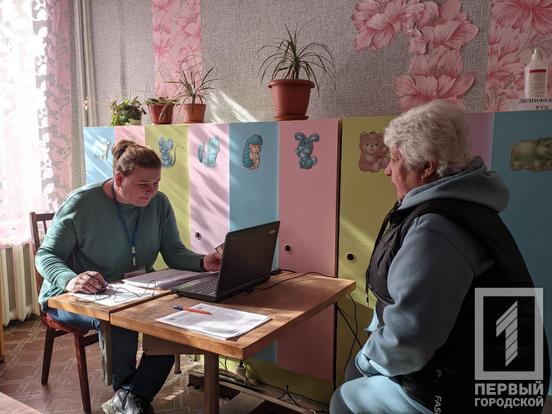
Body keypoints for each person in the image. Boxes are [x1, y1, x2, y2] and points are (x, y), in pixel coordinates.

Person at [330, 100, 550, 413]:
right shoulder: (466, 206)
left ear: (427, 168)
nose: (388, 170)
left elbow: (409, 342)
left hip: (474, 393)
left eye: (395, 159)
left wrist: (365, 360)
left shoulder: (436, 229)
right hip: (504, 378)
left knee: (344, 398)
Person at [36, 139, 222, 414]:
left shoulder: (159, 203)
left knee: (177, 315)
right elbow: (46, 255)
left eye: (156, 183)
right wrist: (70, 279)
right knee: (120, 322)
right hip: (70, 295)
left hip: (130, 290)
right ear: (119, 178)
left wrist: (203, 261)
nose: (152, 191)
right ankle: (128, 395)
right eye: (143, 184)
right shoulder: (82, 203)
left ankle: (130, 397)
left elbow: (172, 251)